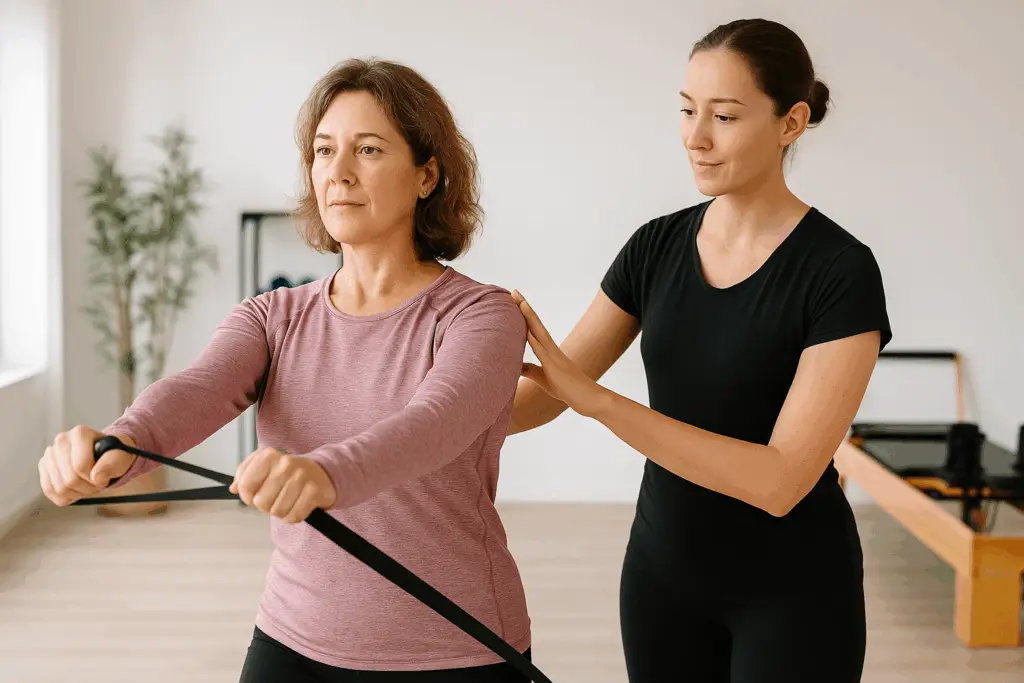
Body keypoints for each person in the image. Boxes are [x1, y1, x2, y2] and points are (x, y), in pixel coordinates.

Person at [38, 58, 533, 683]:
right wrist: (123, 442)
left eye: (369, 149)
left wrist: (324, 473)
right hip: (294, 635)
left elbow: (434, 424)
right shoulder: (273, 317)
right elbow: (199, 387)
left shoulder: (480, 316)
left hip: (459, 646)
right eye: (324, 151)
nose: (339, 173)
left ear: (427, 174)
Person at [508, 18, 891, 683]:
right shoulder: (654, 248)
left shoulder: (840, 271)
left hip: (795, 593)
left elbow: (778, 482)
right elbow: (543, 395)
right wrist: (391, 420)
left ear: (791, 122)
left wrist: (597, 403)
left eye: (724, 115)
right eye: (687, 110)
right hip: (661, 581)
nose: (695, 136)